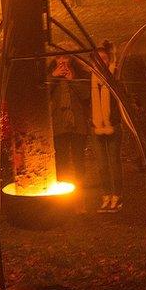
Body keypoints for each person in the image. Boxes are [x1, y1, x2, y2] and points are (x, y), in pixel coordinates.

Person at [49, 55, 90, 192]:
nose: (63, 64)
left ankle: (80, 192)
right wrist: (53, 76)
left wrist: (73, 80)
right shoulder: (49, 76)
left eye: (65, 60)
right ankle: (63, 192)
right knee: (62, 161)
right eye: (59, 60)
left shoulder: (80, 75)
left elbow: (86, 95)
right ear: (54, 61)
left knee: (79, 160)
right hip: (59, 125)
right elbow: (42, 94)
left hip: (77, 125)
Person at [91, 41, 123, 212]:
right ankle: (106, 195)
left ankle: (116, 196)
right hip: (96, 126)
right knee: (102, 164)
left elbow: (121, 96)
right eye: (98, 58)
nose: (101, 61)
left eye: (104, 58)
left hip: (113, 124)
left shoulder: (114, 75)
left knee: (114, 161)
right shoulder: (90, 78)